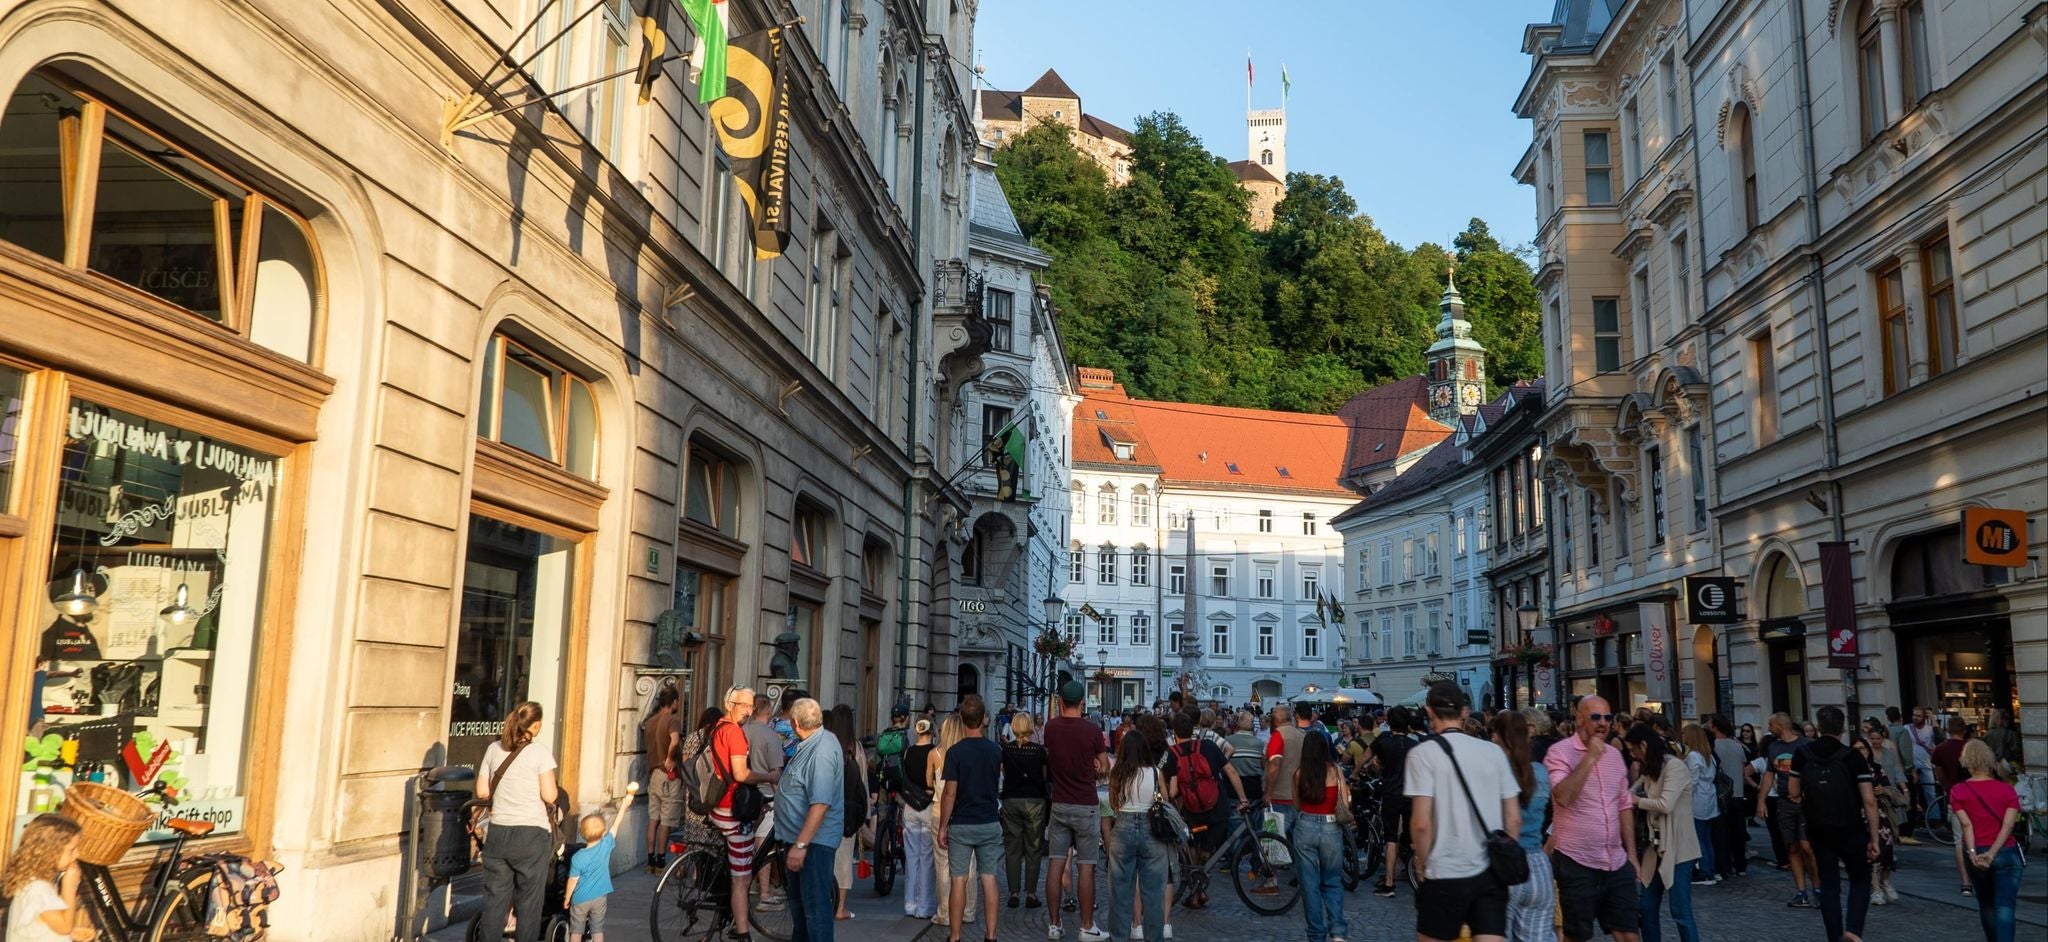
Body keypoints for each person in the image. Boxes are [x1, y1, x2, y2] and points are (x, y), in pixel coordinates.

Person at [1408, 682, 1520, 942]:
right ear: (1464, 712)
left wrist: (1422, 863)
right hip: (1489, 873)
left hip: (1443, 871)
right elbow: (1513, 817)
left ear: (1429, 711)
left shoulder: (1423, 754)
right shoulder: (1493, 752)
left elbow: (1421, 823)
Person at [1545, 696, 1640, 942]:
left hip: (1616, 861)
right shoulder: (1559, 752)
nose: (1603, 723)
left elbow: (1624, 805)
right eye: (1595, 717)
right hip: (1577, 860)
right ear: (1579, 718)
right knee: (1576, 935)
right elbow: (1563, 796)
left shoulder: (1615, 756)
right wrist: (1589, 758)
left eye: (1608, 718)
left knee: (1628, 933)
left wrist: (1632, 856)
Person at [1787, 705, 1881, 942]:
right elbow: (1869, 801)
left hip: (1818, 827)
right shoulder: (1852, 756)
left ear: (1818, 727)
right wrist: (1874, 837)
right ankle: (1854, 930)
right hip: (1851, 827)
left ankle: (1834, 936)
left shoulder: (1802, 754)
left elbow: (1793, 791)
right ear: (1842, 728)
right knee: (1860, 879)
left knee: (1828, 882)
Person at [477, 701, 560, 942]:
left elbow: (482, 791)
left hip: (498, 832)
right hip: (530, 835)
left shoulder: (493, 749)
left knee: (494, 903)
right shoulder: (540, 752)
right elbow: (550, 795)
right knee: (529, 905)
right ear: (534, 726)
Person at [1044, 681, 1113, 941]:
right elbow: (1104, 767)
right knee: (1086, 866)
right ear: (1082, 702)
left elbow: (1052, 756)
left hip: (1059, 803)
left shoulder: (1051, 728)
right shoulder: (1092, 730)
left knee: (1056, 863)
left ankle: (1054, 924)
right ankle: (1086, 926)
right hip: (1086, 803)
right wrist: (1095, 763)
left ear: (1060, 702)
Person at [937, 696, 1006, 942]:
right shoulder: (995, 750)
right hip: (988, 820)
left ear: (963, 719)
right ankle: (991, 935)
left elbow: (950, 792)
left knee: (959, 879)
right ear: (983, 719)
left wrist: (943, 826)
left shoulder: (955, 752)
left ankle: (955, 936)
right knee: (989, 877)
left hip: (962, 822)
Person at [776, 698, 845, 942]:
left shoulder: (822, 750)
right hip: (799, 840)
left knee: (815, 910)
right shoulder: (812, 743)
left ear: (795, 723)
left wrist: (801, 845)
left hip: (813, 844)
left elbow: (821, 803)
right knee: (801, 909)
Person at [1626, 725, 1700, 942]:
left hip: (1678, 849)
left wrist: (1637, 801)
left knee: (1680, 911)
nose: (1632, 754)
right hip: (1654, 847)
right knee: (1647, 909)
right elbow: (1629, 793)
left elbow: (1665, 804)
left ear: (1644, 746)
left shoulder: (1674, 767)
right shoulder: (1651, 768)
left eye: (1633, 749)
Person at [1951, 739, 2024, 942]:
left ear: (1966, 762)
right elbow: (2008, 826)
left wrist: (1973, 852)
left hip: (1977, 850)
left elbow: (1967, 826)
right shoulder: (2007, 790)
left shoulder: (1958, 791)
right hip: (2006, 852)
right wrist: (1992, 853)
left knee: (1987, 905)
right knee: (2005, 905)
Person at [1105, 725, 1173, 942]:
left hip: (1123, 826)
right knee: (1153, 892)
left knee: (1120, 892)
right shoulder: (1154, 772)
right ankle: (1154, 937)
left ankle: (1119, 937)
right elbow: (1165, 800)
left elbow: (1114, 805)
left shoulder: (1117, 773)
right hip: (1150, 828)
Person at [1494, 711, 1554, 942]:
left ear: (1498, 736)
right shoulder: (1540, 772)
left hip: (1504, 862)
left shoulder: (1496, 772)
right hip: (1538, 863)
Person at [711, 687, 766, 941]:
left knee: (735, 868)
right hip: (730, 807)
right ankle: (742, 933)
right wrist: (769, 776)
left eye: (751, 706)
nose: (748, 710)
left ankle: (728, 914)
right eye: (743, 705)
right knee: (741, 880)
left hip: (715, 804)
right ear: (729, 703)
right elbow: (741, 774)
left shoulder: (718, 727)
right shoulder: (734, 733)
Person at [1290, 729, 1354, 942]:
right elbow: (1344, 803)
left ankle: (1316, 934)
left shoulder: (1300, 773)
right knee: (1332, 881)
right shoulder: (1335, 770)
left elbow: (1297, 805)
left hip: (1305, 825)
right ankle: (1337, 931)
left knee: (1309, 885)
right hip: (1330, 827)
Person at [1756, 712, 1816, 908]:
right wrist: (1761, 801)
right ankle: (1801, 891)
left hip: (1805, 802)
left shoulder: (1804, 745)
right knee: (1791, 846)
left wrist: (1804, 793)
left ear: (1780, 725)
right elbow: (1768, 775)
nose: (1769, 728)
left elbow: (1812, 771)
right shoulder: (1773, 747)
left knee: (1807, 846)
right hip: (1784, 802)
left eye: (1771, 724)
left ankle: (1818, 887)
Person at [4, 814, 92, 942]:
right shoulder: (38, 889)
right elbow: (64, 927)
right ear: (50, 852)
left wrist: (70, 934)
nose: (77, 854)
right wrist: (69, 887)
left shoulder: (37, 881)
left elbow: (46, 921)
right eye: (71, 850)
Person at [564, 791, 635, 942]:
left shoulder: (577, 857)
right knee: (597, 929)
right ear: (603, 833)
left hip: (580, 898)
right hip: (600, 897)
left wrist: (567, 897)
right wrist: (624, 805)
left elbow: (572, 880)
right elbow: (616, 826)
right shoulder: (605, 845)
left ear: (582, 834)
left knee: (576, 930)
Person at [1002, 712, 1051, 909]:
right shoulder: (1039, 751)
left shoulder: (1007, 750)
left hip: (1011, 799)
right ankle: (1031, 893)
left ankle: (1014, 892)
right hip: (1034, 801)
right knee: (1034, 848)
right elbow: (1044, 776)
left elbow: (1005, 774)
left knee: (1012, 848)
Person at [824, 705, 867, 922]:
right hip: (847, 811)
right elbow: (862, 785)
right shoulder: (854, 747)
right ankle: (840, 907)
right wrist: (864, 813)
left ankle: (825, 902)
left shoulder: (826, 744)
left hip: (825, 809)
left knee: (826, 858)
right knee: (843, 860)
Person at [1369, 705, 1417, 897]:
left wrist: (1358, 773)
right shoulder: (1414, 744)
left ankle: (1389, 882)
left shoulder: (1384, 741)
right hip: (1411, 794)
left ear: (1389, 722)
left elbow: (1370, 759)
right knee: (1413, 839)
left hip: (1390, 793)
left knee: (1391, 838)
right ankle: (1422, 877)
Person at [1851, 734, 1900, 906]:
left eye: (1862, 748)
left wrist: (1883, 790)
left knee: (1886, 849)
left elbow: (1888, 786)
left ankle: (1885, 881)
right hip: (1860, 815)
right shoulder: (1849, 769)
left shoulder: (1876, 768)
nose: (1860, 752)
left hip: (1880, 813)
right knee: (1869, 853)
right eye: (1856, 749)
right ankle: (1876, 889)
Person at [901, 718, 939, 920]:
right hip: (928, 805)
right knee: (927, 858)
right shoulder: (935, 752)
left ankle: (910, 903)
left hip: (910, 805)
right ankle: (924, 906)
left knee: (912, 857)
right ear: (932, 731)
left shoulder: (908, 752)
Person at [642, 685, 682, 871]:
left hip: (653, 773)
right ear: (674, 702)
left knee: (653, 818)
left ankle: (649, 860)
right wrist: (671, 758)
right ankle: (660, 861)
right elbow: (674, 740)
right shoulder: (672, 720)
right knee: (666, 819)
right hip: (668, 774)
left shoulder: (650, 721)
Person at [1707, 715, 1750, 879]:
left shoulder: (1713, 747)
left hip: (1721, 795)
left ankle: (1724, 866)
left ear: (1715, 727)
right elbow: (1742, 770)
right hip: (1738, 793)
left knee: (1721, 833)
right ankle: (1740, 865)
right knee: (1738, 831)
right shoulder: (1737, 746)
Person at [1679, 724, 1720, 885]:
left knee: (1700, 837)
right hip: (1709, 797)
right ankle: (1710, 869)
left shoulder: (1694, 756)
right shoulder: (1707, 755)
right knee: (1706, 837)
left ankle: (1705, 871)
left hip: (1698, 799)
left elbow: (1692, 781)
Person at [1225, 711, 1266, 809]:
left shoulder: (1227, 741)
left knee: (1236, 822)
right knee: (1256, 822)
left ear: (1238, 723)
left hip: (1233, 790)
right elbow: (1264, 767)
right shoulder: (1260, 743)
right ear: (1252, 725)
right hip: (1255, 789)